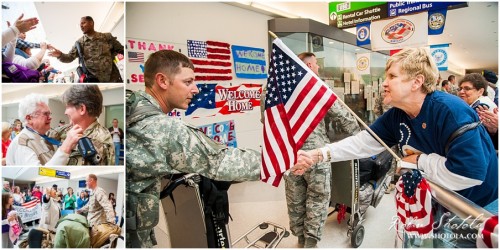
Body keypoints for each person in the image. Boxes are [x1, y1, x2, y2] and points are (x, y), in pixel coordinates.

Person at [126, 50, 294, 247]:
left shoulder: (132, 106)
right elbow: (221, 161)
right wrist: (285, 159)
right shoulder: (162, 128)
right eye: (188, 82)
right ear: (162, 81)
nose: (195, 89)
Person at [260, 52, 360, 248]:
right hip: (315, 155)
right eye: (315, 64)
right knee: (318, 196)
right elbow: (343, 116)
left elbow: (266, 120)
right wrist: (358, 135)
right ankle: (311, 241)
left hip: (289, 155)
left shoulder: (272, 90)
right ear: (306, 65)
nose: (318, 68)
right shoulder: (316, 87)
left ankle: (300, 237)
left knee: (295, 197)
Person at [6, 94, 83, 166]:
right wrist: (65, 147)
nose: (50, 117)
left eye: (50, 114)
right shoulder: (23, 143)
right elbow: (39, 174)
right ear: (29, 118)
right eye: (45, 114)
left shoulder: (43, 137)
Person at [48, 85, 114, 165]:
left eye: (67, 107)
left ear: (82, 109)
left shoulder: (98, 142)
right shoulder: (69, 128)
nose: (65, 112)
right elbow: (47, 136)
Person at [48, 16, 124, 83]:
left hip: (113, 78)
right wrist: (60, 55)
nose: (81, 26)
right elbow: (69, 57)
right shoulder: (79, 43)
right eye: (80, 24)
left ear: (91, 23)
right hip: (94, 80)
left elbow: (122, 50)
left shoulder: (107, 37)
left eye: (83, 23)